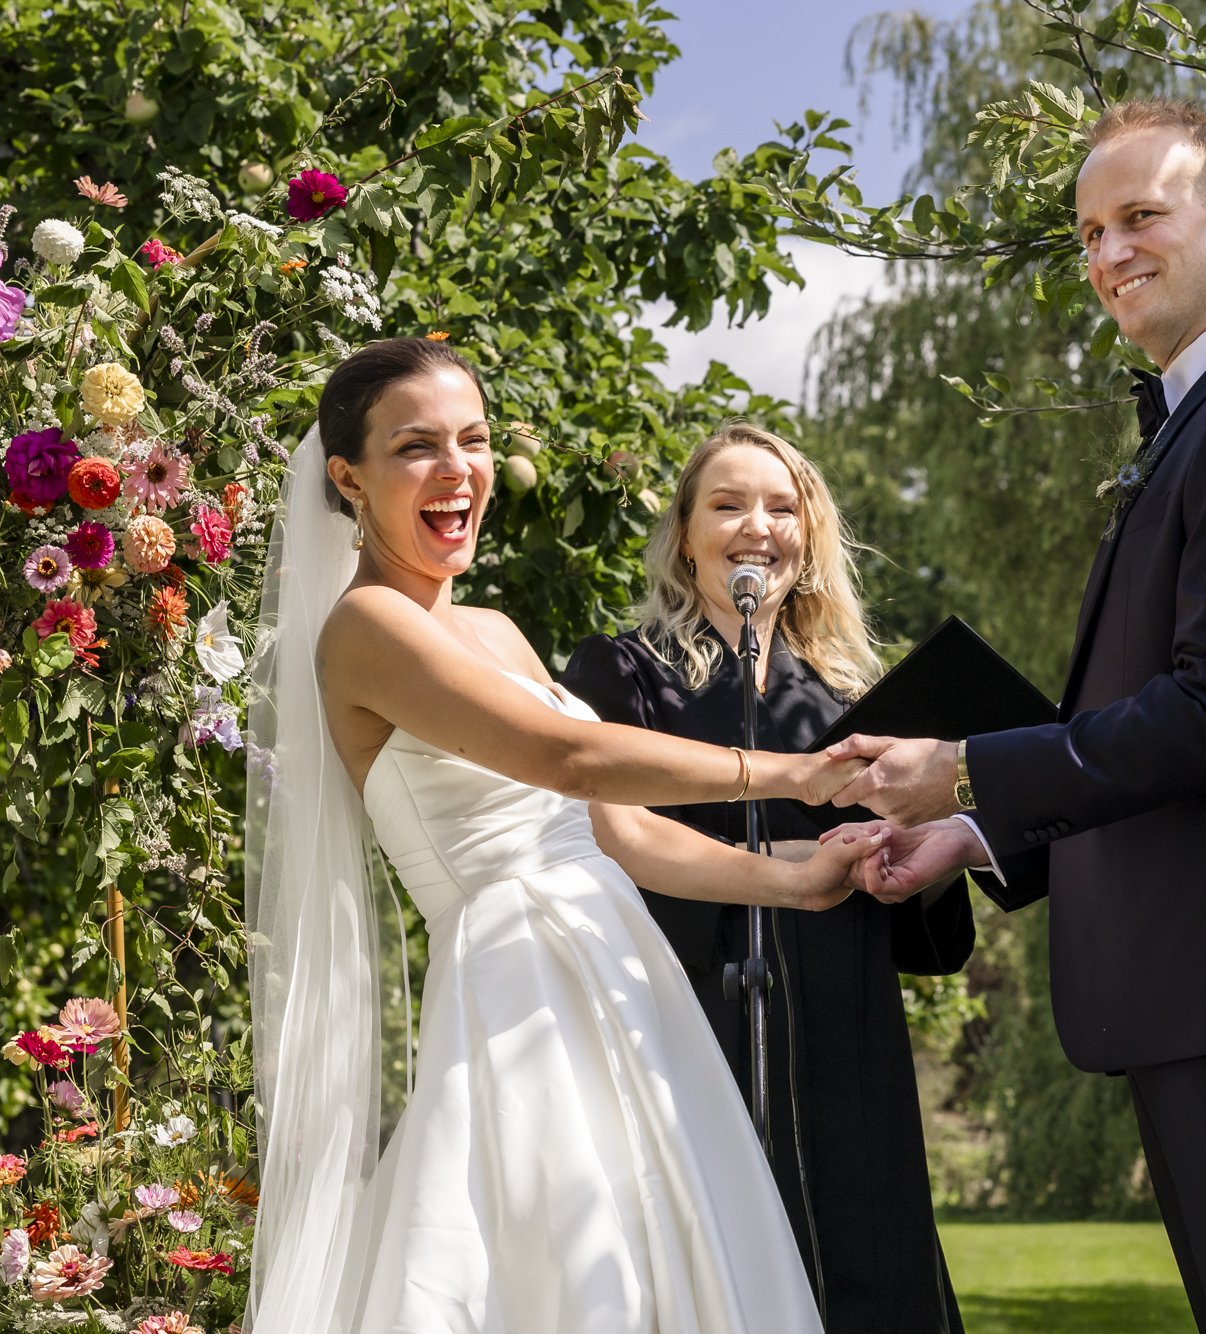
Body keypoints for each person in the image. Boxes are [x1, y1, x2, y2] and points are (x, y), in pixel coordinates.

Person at [828, 100, 1206, 1334]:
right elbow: (1170, 729)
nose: (1107, 253)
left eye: (1139, 216)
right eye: (1090, 230)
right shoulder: (1203, 418)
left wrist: (966, 767)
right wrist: (977, 837)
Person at [244, 337, 881, 1334]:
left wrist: (794, 879)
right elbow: (568, 760)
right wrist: (793, 771)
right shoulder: (364, 626)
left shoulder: (495, 630)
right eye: (418, 447)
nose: (458, 469)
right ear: (348, 478)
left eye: (475, 438)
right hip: (516, 977)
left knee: (669, 1249)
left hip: (618, 961)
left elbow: (614, 831)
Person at [561, 423, 972, 1334]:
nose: (758, 526)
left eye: (782, 507)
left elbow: (921, 928)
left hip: (844, 1034)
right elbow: (607, 848)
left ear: (810, 536)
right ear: (684, 533)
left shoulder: (852, 705)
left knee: (866, 1274)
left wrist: (931, 836)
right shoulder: (622, 675)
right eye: (728, 503)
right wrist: (784, 869)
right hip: (687, 1019)